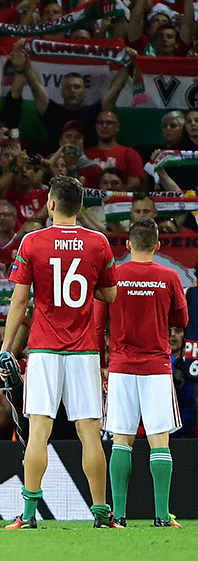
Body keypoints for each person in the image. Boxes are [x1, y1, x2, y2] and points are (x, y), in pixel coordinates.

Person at [0, 175, 117, 529]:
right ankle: (100, 514)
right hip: (84, 351)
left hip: (45, 351)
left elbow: (20, 300)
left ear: (51, 204)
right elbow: (110, 296)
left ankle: (29, 515)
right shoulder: (98, 243)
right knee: (89, 433)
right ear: (80, 207)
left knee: (38, 431)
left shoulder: (32, 242)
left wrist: (6, 348)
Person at [98, 218, 187, 528]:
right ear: (158, 245)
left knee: (121, 439)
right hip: (157, 366)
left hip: (122, 366)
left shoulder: (115, 276)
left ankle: (118, 515)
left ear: (128, 244)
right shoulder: (169, 276)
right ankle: (162, 516)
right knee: (158, 441)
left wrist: (102, 361)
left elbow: (100, 321)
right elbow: (181, 318)